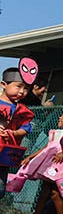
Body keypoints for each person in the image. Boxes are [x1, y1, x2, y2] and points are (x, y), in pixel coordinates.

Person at [0, 62, 36, 200]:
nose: (22, 92)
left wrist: (14, 133)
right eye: (18, 86)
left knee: (1, 187)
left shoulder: (22, 110)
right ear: (4, 84)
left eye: (26, 89)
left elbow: (25, 128)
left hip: (4, 154)